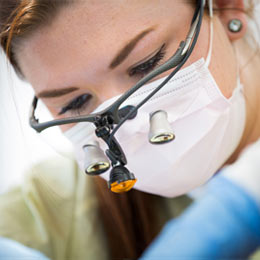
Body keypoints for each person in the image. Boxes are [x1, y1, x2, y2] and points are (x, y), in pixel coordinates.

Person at [0, 0, 260, 259]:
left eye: (146, 64)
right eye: (74, 103)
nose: (125, 129)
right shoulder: (50, 209)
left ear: (226, 8)